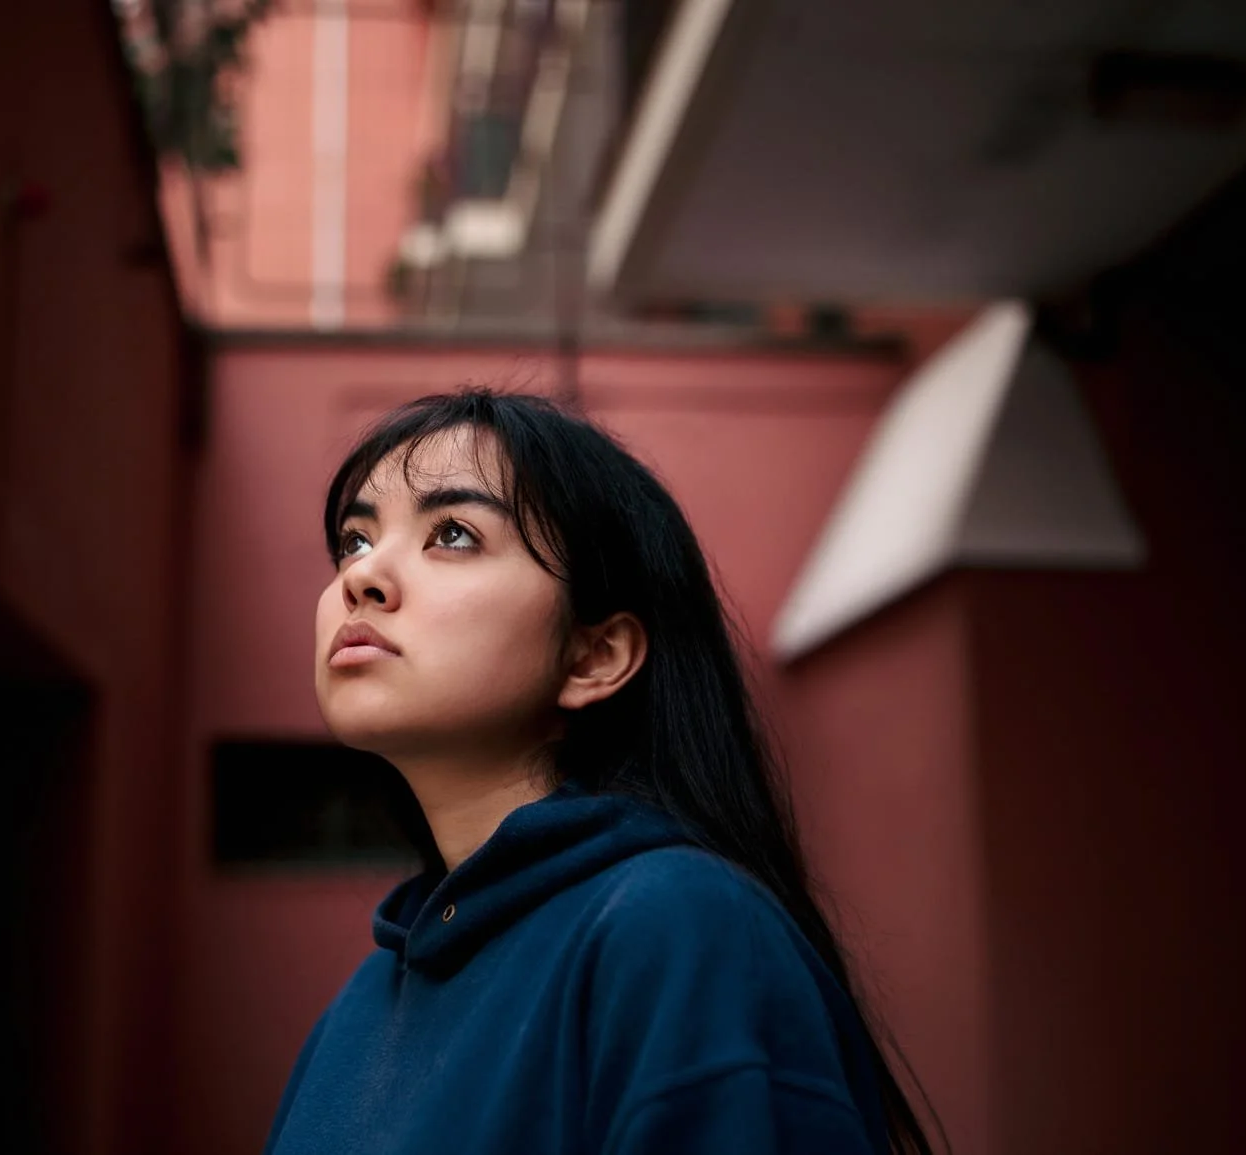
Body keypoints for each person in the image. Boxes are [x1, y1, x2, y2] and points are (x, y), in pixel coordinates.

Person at [265, 389, 938, 1155]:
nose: (362, 578)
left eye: (452, 533)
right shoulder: (361, 1004)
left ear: (594, 656)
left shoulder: (681, 929)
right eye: (354, 541)